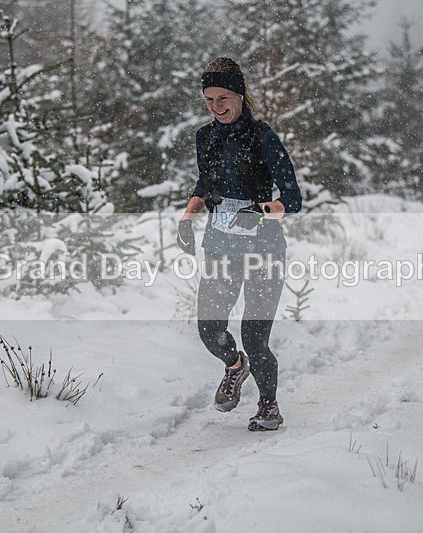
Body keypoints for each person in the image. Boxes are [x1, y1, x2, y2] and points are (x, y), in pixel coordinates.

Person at [176, 57, 302, 431]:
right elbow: (205, 185)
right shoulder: (205, 137)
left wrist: (262, 209)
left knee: (255, 337)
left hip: (264, 251)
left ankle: (268, 406)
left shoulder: (264, 138)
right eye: (209, 99)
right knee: (209, 329)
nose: (216, 107)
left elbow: (292, 198)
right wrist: (188, 216)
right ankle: (235, 365)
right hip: (219, 247)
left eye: (223, 97)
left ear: (240, 95)